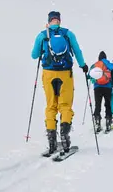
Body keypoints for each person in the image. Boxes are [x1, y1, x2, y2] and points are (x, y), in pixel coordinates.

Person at [31, 11, 87, 154]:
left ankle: (51, 140)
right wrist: (83, 65)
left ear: (49, 21)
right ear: (59, 21)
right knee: (65, 105)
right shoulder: (68, 34)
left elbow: (34, 55)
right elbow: (77, 51)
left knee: (51, 106)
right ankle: (65, 135)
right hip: (65, 74)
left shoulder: (43, 35)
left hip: (48, 74)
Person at [89, 52, 113, 133]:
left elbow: (89, 75)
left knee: (98, 104)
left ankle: (97, 122)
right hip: (108, 87)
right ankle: (108, 122)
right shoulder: (109, 65)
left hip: (97, 88)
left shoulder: (95, 65)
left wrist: (93, 80)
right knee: (108, 104)